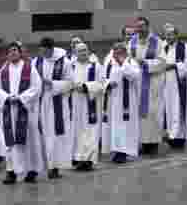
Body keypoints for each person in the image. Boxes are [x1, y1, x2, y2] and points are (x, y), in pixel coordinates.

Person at [0, 41, 43, 184]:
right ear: (7, 54)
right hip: (9, 111)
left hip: (26, 111)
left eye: (15, 50)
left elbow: (37, 87)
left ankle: (31, 170)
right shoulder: (3, 71)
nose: (13, 53)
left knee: (29, 141)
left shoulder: (30, 69)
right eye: (10, 51)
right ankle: (11, 172)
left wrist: (21, 98)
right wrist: (7, 97)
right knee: (10, 143)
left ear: (20, 52)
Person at [35, 37, 73, 179]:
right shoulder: (37, 61)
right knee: (44, 135)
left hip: (58, 103)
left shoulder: (65, 62)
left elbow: (70, 82)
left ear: (51, 49)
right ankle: (44, 165)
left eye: (44, 51)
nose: (42, 54)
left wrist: (51, 83)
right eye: (40, 51)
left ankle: (55, 167)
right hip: (41, 102)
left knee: (56, 136)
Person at [128, 16, 166, 156]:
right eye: (138, 26)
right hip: (138, 83)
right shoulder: (132, 42)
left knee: (153, 113)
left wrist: (145, 63)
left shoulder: (157, 42)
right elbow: (128, 60)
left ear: (148, 26)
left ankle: (154, 143)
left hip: (153, 83)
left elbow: (162, 62)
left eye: (142, 26)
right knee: (140, 114)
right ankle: (143, 143)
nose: (140, 29)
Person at [102, 42, 141, 164]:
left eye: (121, 52)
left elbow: (136, 76)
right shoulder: (108, 63)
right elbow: (102, 79)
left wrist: (123, 63)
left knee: (125, 127)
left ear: (125, 52)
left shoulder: (130, 62)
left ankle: (123, 152)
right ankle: (117, 150)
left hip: (127, 101)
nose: (118, 54)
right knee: (115, 126)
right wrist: (108, 84)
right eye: (116, 52)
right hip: (112, 100)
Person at [70, 42, 106, 171]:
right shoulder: (71, 67)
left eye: (85, 50)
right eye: (80, 51)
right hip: (75, 103)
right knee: (77, 131)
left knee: (90, 131)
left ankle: (89, 160)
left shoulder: (96, 66)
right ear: (75, 53)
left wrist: (86, 87)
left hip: (91, 103)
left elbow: (103, 83)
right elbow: (66, 82)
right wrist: (73, 86)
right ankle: (79, 159)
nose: (83, 53)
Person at [160, 24, 187, 149]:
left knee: (178, 110)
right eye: (166, 34)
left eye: (171, 34)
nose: (168, 37)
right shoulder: (162, 46)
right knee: (168, 109)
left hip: (178, 84)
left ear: (176, 35)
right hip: (165, 84)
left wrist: (174, 66)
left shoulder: (184, 47)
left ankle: (179, 137)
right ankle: (170, 135)